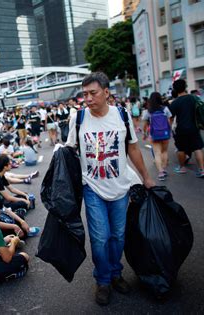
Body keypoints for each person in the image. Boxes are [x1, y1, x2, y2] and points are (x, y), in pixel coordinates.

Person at [66, 72, 155, 306]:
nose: (88, 98)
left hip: (120, 187)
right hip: (92, 187)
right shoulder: (79, 118)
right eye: (84, 94)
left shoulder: (122, 115)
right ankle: (103, 280)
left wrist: (146, 177)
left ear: (106, 93)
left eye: (93, 93)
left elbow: (134, 149)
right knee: (100, 238)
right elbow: (69, 154)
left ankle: (116, 273)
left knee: (118, 235)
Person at [170, 79, 204, 178]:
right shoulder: (193, 98)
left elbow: (171, 118)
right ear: (185, 87)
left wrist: (170, 129)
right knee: (197, 148)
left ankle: (182, 168)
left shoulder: (174, 103)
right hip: (194, 127)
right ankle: (202, 169)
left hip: (181, 129)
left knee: (181, 149)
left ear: (175, 89)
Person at [142, 92, 172, 181]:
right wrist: (168, 130)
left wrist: (144, 133)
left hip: (154, 134)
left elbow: (145, 124)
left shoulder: (148, 111)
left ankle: (161, 172)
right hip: (165, 133)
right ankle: (164, 168)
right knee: (165, 151)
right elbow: (170, 119)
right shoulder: (165, 109)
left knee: (157, 153)